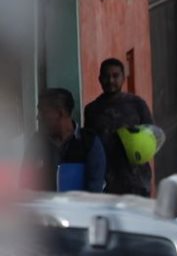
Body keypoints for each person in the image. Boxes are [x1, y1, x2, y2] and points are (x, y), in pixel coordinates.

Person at [83, 58, 153, 196]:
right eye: (106, 76)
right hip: (106, 183)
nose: (110, 81)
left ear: (123, 78)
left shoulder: (137, 105)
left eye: (115, 76)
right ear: (99, 79)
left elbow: (151, 136)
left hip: (136, 181)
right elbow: (89, 144)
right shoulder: (92, 110)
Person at [28, 88, 106, 193]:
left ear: (60, 113)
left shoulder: (89, 143)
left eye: (43, 112)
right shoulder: (36, 143)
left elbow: (94, 191)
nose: (38, 117)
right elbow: (25, 185)